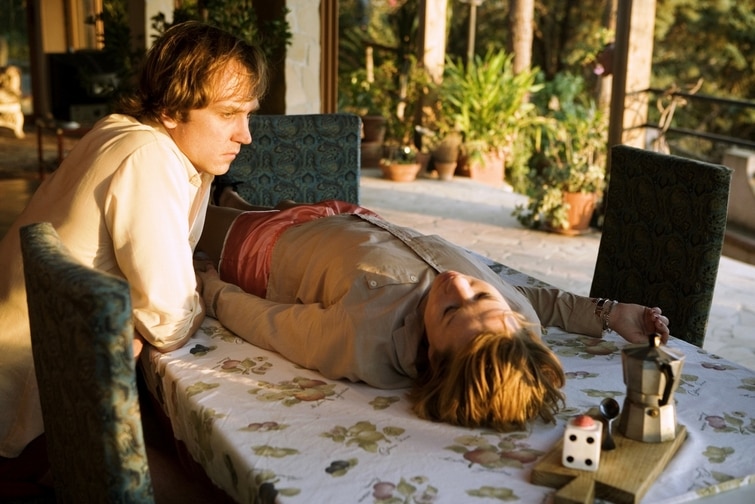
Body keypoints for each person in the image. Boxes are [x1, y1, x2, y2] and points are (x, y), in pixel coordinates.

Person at [0, 21, 267, 466]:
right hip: (41, 424)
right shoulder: (150, 158)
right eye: (227, 114)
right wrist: (196, 291)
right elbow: (170, 322)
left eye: (249, 114)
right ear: (170, 110)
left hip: (37, 385)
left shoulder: (121, 130)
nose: (246, 135)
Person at [194, 198, 670, 432]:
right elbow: (527, 296)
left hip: (267, 247)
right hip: (352, 216)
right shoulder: (515, 318)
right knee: (241, 198)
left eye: (448, 310)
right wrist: (607, 313)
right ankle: (240, 198)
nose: (458, 284)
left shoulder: (367, 339)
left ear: (432, 356)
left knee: (192, 207)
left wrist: (211, 288)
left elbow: (270, 324)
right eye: (482, 298)